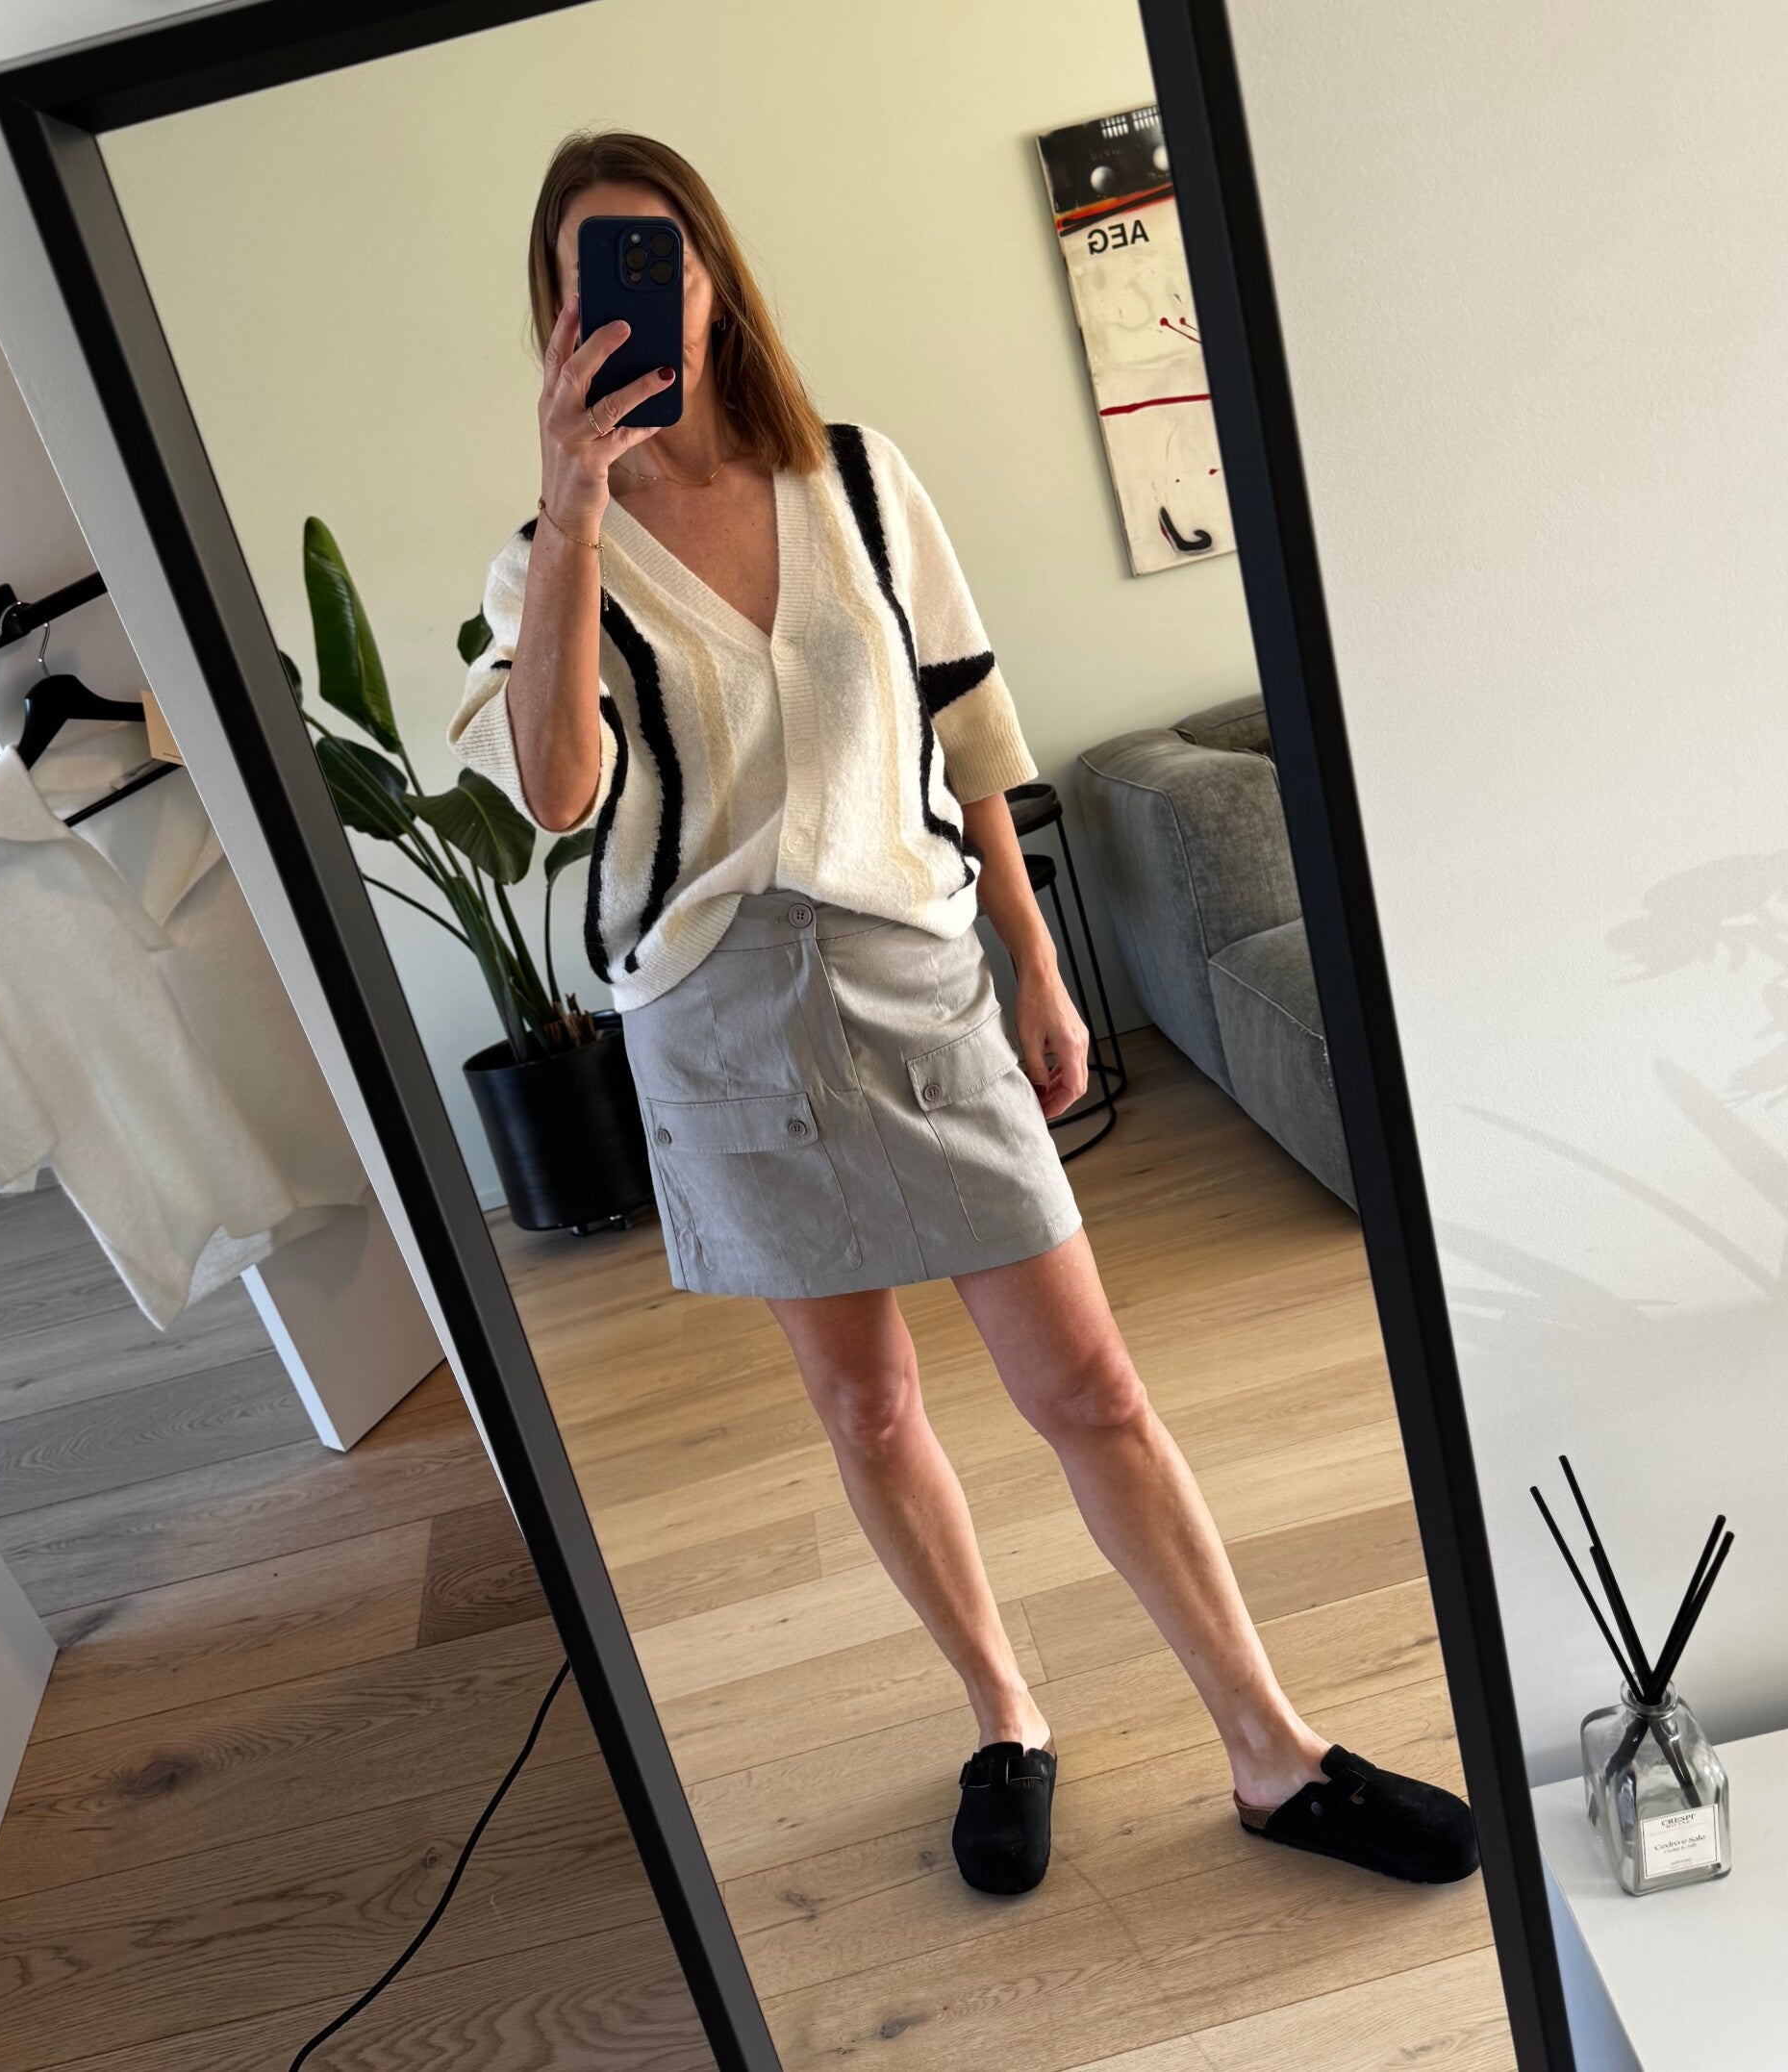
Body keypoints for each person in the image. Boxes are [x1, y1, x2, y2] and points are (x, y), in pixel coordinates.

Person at [449, 128, 1478, 1896]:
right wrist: (571, 510)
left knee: (1090, 1381)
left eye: (662, 255)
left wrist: (1037, 953)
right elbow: (556, 793)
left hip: (912, 975)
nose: (635, 298)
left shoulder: (855, 476)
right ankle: (1005, 1712)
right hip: (719, 1019)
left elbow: (967, 720)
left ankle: (1272, 1748)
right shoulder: (550, 557)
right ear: (552, 316)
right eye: (589, 274)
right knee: (865, 1407)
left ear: (714, 275)